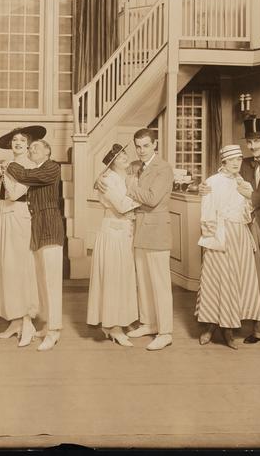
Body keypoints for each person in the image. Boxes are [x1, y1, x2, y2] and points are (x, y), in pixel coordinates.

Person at [200, 116, 260, 354]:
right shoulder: (242, 164)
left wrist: (252, 196)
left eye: (257, 141)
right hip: (248, 231)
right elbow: (223, 178)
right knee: (256, 285)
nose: (253, 146)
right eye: (250, 142)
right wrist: (203, 187)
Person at [98, 128, 174, 351]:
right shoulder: (135, 166)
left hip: (157, 231)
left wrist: (130, 188)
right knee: (144, 282)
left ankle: (165, 332)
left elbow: (152, 198)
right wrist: (99, 179)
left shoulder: (163, 168)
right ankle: (149, 323)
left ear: (155, 145)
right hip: (138, 231)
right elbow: (112, 170)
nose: (141, 151)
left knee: (160, 284)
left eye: (146, 146)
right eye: (138, 146)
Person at [195, 144, 260, 349]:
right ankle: (210, 327)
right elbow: (207, 211)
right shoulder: (211, 182)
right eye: (231, 160)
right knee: (215, 281)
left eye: (239, 159)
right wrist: (212, 239)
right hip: (220, 236)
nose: (236, 163)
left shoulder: (244, 183)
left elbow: (248, 211)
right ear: (223, 162)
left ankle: (229, 329)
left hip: (240, 237)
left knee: (235, 282)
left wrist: (247, 197)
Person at [0, 126, 45, 347]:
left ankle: (27, 322)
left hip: (19, 218)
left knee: (20, 269)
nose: (17, 143)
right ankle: (16, 321)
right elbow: (2, 194)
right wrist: (0, 176)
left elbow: (16, 193)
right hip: (4, 216)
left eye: (22, 140)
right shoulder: (9, 164)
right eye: (15, 140)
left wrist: (5, 175)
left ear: (28, 145)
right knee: (7, 269)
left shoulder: (29, 166)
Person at [4, 139, 64, 351]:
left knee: (52, 282)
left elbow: (25, 175)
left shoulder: (52, 167)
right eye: (31, 147)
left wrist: (9, 165)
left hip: (50, 228)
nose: (32, 149)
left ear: (48, 151)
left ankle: (54, 331)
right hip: (38, 228)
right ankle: (48, 325)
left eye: (36, 146)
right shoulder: (37, 170)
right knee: (42, 281)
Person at [88, 143, 140, 347]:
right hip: (113, 233)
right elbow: (122, 205)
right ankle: (112, 326)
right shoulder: (107, 180)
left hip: (124, 232)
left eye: (124, 153)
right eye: (119, 156)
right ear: (111, 162)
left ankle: (121, 321)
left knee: (123, 278)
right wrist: (144, 197)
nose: (124, 157)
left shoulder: (123, 177)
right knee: (113, 279)